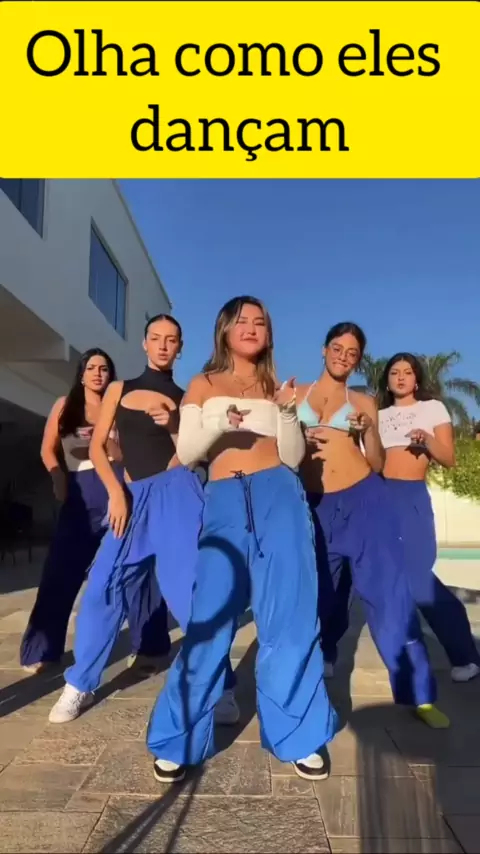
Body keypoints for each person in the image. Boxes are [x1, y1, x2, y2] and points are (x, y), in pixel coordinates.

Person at [147, 296, 338, 784]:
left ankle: (299, 734)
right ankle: (178, 738)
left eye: (260, 322)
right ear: (225, 331)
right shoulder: (204, 384)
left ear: (268, 334)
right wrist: (219, 423)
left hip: (281, 496)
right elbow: (189, 451)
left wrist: (288, 414)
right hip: (225, 500)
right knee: (210, 618)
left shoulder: (279, 387)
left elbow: (292, 456)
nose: (252, 328)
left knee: (291, 616)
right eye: (242, 321)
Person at [48, 316, 237, 725]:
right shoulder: (120, 389)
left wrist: (174, 425)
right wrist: (116, 493)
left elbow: (194, 455)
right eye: (156, 338)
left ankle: (220, 684)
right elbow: (97, 448)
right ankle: (80, 684)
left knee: (189, 594)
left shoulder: (187, 398)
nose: (164, 345)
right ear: (144, 343)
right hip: (131, 496)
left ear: (180, 347)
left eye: (172, 340)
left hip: (177, 494)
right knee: (102, 586)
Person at [297, 322, 449, 728]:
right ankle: (309, 684)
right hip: (314, 506)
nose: (343, 357)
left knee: (390, 598)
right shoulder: (293, 394)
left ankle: (419, 695)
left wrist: (368, 433)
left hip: (365, 500)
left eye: (352, 353)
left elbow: (378, 463)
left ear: (358, 360)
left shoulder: (364, 402)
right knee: (314, 598)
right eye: (337, 348)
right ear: (324, 349)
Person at [20, 348, 168, 675]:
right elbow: (48, 449)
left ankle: (149, 648)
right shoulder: (65, 405)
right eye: (91, 368)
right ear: (82, 374)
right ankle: (42, 649)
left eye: (104, 368)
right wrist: (58, 477)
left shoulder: (120, 404)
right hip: (80, 493)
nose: (98, 373)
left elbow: (129, 453)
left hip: (119, 489)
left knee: (138, 568)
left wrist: (108, 439)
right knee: (61, 571)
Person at [378, 352, 480, 683]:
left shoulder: (432, 409)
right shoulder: (378, 415)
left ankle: (465, 655)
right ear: (387, 380)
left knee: (419, 577)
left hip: (410, 496)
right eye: (395, 372)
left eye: (408, 372)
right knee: (383, 579)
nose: (401, 377)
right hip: (377, 497)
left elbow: (448, 457)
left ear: (417, 379)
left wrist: (427, 438)